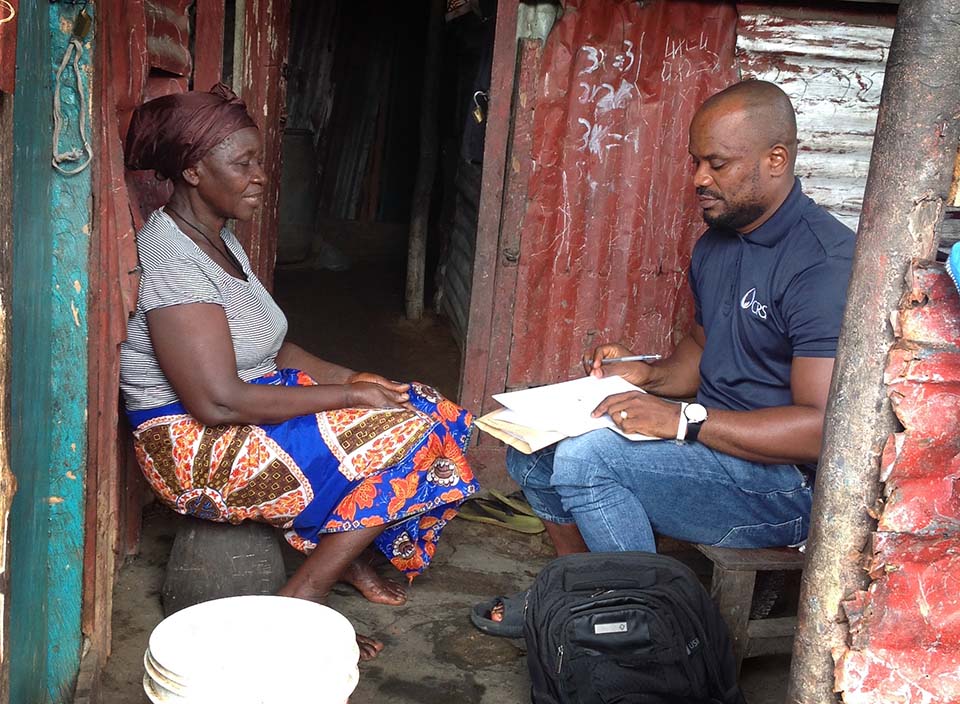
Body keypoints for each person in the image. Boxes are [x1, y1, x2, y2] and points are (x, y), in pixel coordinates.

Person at [472, 79, 854, 637]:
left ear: (776, 160)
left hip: (784, 487)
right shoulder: (718, 242)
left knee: (586, 461)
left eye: (717, 164)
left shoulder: (823, 266)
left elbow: (822, 429)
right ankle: (582, 591)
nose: (699, 178)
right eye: (697, 161)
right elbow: (701, 351)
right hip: (712, 449)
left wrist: (681, 420)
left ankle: (642, 627)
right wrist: (646, 374)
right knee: (529, 452)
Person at [120, 84, 480, 660]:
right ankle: (300, 599)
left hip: (245, 407)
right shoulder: (172, 261)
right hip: (193, 444)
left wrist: (357, 378)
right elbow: (216, 403)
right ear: (191, 171)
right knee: (412, 436)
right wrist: (346, 396)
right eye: (243, 164)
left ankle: (344, 551)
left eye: (258, 160)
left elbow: (273, 346)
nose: (261, 176)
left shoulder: (220, 241)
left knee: (425, 405)